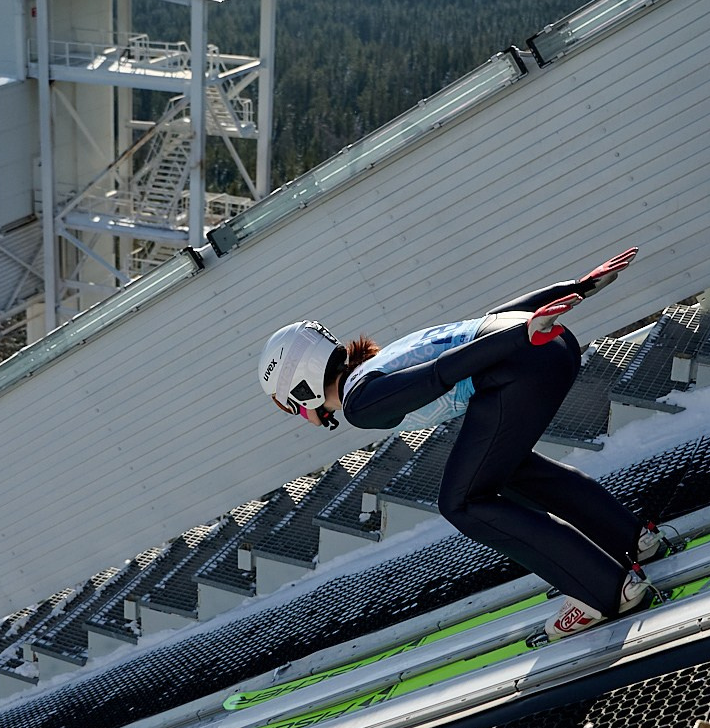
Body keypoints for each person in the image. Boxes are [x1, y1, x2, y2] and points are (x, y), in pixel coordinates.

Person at [258, 248, 670, 639]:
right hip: (545, 346)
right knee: (504, 472)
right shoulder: (376, 363)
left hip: (522, 360)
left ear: (301, 387)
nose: (299, 415)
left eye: (290, 406)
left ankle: (605, 589)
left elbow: (439, 373)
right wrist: (574, 287)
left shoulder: (359, 402)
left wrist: (520, 337)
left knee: (461, 503)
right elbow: (488, 320)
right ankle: (632, 541)